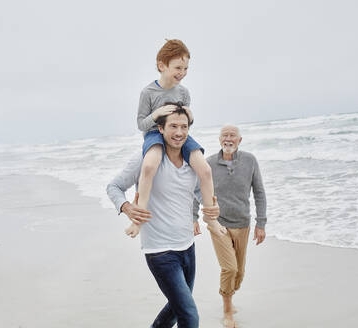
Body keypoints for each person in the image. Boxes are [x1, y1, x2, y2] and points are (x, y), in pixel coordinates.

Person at [107, 107, 220, 328]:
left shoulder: (192, 162)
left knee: (175, 310)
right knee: (189, 315)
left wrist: (213, 209)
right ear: (160, 129)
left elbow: (198, 190)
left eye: (184, 127)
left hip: (187, 247)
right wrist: (126, 207)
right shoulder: (145, 158)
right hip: (160, 252)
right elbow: (114, 186)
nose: (179, 132)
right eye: (173, 127)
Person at [125, 39, 224, 238]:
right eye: (178, 67)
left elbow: (185, 123)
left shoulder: (184, 92)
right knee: (149, 166)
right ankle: (138, 221)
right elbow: (140, 124)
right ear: (162, 66)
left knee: (205, 169)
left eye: (186, 68)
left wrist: (190, 116)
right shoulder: (148, 92)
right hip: (154, 134)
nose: (182, 72)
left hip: (178, 134)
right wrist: (156, 114)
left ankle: (211, 219)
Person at [193, 125, 267, 328]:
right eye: (224, 135)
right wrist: (194, 218)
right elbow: (197, 190)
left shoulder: (250, 160)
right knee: (229, 268)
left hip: (243, 224)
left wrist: (261, 223)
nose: (228, 139)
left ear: (239, 140)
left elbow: (259, 192)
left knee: (239, 273)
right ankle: (227, 309)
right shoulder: (208, 165)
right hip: (219, 225)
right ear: (219, 140)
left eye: (232, 135)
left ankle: (229, 295)